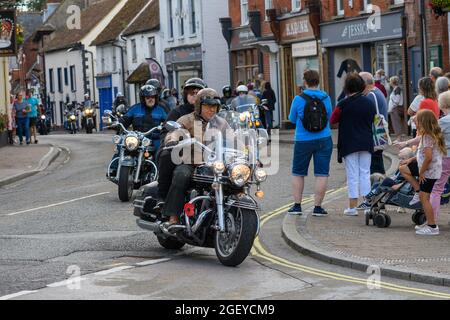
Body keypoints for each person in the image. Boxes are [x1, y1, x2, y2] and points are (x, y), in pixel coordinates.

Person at [161, 88, 228, 227]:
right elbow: (175, 131)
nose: (212, 110)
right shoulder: (187, 119)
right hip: (191, 163)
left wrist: (248, 149)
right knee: (181, 174)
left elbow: (235, 139)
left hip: (215, 165)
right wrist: (172, 140)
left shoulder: (221, 123)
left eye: (214, 106)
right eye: (208, 106)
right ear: (199, 106)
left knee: (235, 178)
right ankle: (173, 215)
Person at [288, 69, 333, 216]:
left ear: (305, 82)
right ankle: (318, 208)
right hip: (324, 139)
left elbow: (292, 119)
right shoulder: (326, 98)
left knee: (298, 173)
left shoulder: (298, 99)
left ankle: (297, 206)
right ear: (318, 81)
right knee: (322, 174)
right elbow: (329, 117)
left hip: (303, 140)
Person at [330, 73, 377, 216]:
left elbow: (332, 120)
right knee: (365, 172)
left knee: (352, 174)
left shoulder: (343, 104)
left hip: (349, 142)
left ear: (347, 87)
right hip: (366, 141)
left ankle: (352, 207)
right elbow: (374, 119)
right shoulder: (369, 102)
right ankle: (368, 204)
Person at [157, 77, 206, 199]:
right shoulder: (177, 112)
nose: (194, 96)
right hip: (183, 153)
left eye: (198, 93)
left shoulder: (210, 112)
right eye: (191, 93)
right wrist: (171, 142)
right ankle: (163, 198)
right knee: (166, 156)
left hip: (207, 153)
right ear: (185, 94)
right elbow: (167, 131)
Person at [399, 109, 445, 235]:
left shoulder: (427, 137)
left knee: (425, 198)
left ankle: (432, 227)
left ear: (423, 122)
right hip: (432, 171)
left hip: (429, 172)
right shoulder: (430, 135)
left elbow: (429, 157)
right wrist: (412, 159)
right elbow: (423, 155)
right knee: (424, 197)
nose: (416, 125)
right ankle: (429, 222)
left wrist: (421, 173)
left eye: (417, 122)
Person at [109, 85, 167, 176]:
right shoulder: (135, 108)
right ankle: (113, 168)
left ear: (156, 98)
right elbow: (125, 119)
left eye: (153, 97)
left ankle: (156, 173)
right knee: (121, 143)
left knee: (160, 149)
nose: (150, 99)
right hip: (137, 136)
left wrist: (167, 126)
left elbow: (168, 121)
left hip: (154, 137)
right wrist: (118, 124)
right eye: (147, 97)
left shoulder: (160, 110)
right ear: (143, 98)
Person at [360, 72, 388, 175]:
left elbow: (370, 116)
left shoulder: (371, 95)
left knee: (375, 169)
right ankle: (382, 187)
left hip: (375, 137)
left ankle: (379, 188)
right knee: (378, 165)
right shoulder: (376, 92)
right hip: (379, 136)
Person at [428, 92, 450, 227]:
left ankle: (432, 222)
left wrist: (407, 144)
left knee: (436, 189)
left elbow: (429, 137)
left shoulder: (443, 121)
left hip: (446, 156)